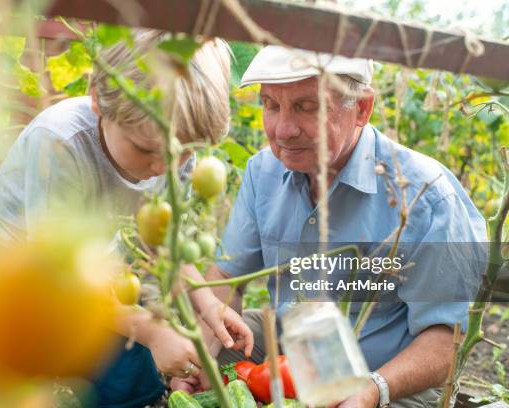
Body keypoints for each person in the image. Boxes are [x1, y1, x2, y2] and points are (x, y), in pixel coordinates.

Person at [173, 46, 487, 408]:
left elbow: (447, 338)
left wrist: (373, 390)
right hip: (293, 346)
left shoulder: (426, 197)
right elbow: (225, 281)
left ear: (362, 109)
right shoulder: (264, 173)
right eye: (271, 105)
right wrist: (201, 354)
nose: (284, 130)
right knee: (213, 355)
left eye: (307, 107)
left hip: (385, 373)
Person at [0, 30, 253, 408]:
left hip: (98, 265)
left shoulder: (171, 154)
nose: (163, 168)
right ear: (97, 102)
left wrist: (207, 303)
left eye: (183, 154)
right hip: (20, 270)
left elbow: (164, 245)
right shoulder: (59, 143)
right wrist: (151, 332)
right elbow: (60, 280)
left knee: (134, 380)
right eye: (145, 150)